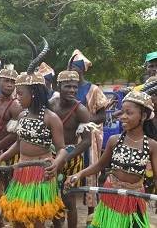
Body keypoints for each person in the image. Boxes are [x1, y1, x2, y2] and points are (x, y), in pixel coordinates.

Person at [0, 38, 67, 227]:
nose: (17, 97)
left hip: (41, 172)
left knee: (36, 219)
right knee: (18, 218)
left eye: (21, 93)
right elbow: (19, 143)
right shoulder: (23, 115)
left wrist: (55, 164)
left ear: (33, 94)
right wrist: (1, 158)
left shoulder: (50, 117)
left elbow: (62, 149)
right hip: (21, 169)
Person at [65, 91, 157, 228]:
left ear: (143, 116)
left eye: (129, 113)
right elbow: (100, 165)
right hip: (111, 196)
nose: (123, 117)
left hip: (134, 199)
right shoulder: (115, 140)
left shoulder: (152, 145)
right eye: (122, 112)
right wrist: (79, 174)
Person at [68, 49, 108, 217]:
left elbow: (102, 115)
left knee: (89, 170)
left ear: (83, 70)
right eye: (70, 68)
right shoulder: (67, 87)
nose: (73, 71)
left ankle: (91, 212)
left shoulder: (93, 89)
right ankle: (67, 209)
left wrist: (86, 120)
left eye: (76, 68)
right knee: (67, 169)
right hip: (70, 135)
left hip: (88, 136)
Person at [49, 70, 92, 228]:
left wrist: (66, 156)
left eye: (75, 87)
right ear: (59, 86)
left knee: (68, 199)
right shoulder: (51, 104)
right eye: (68, 86)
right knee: (52, 196)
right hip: (52, 156)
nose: (73, 90)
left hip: (72, 159)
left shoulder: (80, 110)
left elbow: (87, 141)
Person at [0, 68, 22, 191]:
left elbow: (15, 135)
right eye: (6, 81)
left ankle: (7, 211)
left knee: (9, 189)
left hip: (11, 152)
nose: (10, 85)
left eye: (13, 82)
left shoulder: (16, 105)